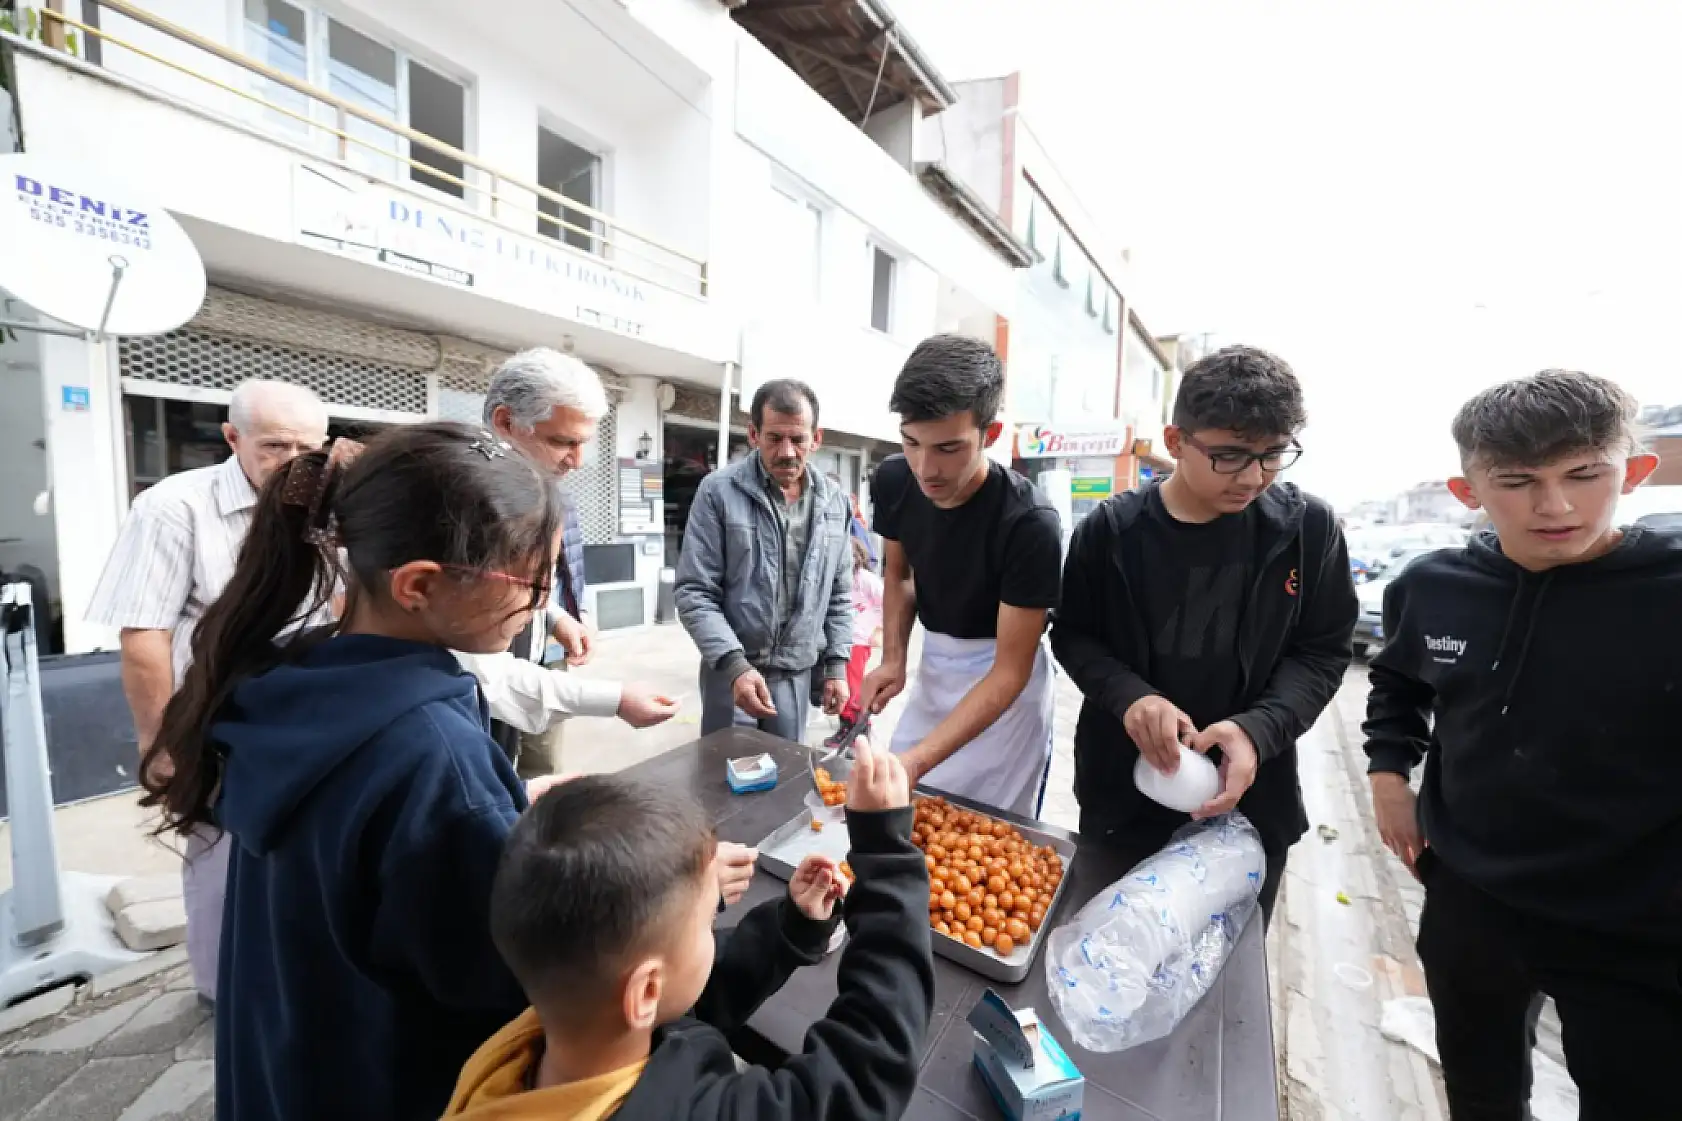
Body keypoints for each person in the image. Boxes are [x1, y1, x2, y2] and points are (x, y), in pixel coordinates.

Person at [1363, 370, 1682, 1120]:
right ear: (1467, 488)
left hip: (1638, 924)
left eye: (1584, 474)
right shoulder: (1430, 587)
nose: (1555, 505)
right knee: (1481, 1095)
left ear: (1634, 472)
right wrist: (1387, 776)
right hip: (1472, 899)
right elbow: (1398, 682)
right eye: (1518, 481)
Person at [443, 738, 934, 1121]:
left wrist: (789, 930)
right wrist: (886, 857)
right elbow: (860, 1077)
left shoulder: (537, 1044)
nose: (712, 931)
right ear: (646, 989)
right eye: (707, 922)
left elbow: (682, 1009)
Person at [1051, 346, 1354, 925]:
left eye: (1272, 455)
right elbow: (1075, 636)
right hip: (1126, 795)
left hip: (1253, 802)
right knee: (1106, 950)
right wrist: (1130, 697)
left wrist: (1257, 730)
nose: (1253, 477)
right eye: (1229, 455)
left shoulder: (1307, 530)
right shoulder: (1111, 532)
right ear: (1175, 440)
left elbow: (1322, 651)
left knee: (1225, 988)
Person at [85, 378, 332, 1003]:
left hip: (306, 715)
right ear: (232, 438)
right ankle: (222, 993)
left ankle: (290, 978)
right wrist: (161, 744)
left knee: (299, 854)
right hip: (217, 720)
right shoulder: (175, 508)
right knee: (220, 857)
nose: (294, 461)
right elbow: (144, 638)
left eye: (309, 445)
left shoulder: (327, 501)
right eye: (275, 445)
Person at [854, 335, 1062, 818]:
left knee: (983, 832)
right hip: (937, 664)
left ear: (990, 434)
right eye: (911, 442)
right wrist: (893, 658)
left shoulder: (1030, 523)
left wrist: (918, 759)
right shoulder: (893, 480)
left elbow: (1009, 672)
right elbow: (900, 576)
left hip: (1004, 684)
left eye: (949, 448)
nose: (926, 469)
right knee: (907, 813)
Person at [472, 348, 678, 778]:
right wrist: (614, 700)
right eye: (562, 442)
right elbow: (483, 672)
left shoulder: (547, 487)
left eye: (583, 443)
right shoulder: (462, 506)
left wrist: (556, 616)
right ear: (506, 423)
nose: (577, 461)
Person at [675, 379, 854, 743]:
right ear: (754, 435)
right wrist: (735, 667)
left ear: (815, 438)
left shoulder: (835, 502)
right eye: (774, 438)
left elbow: (838, 594)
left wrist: (836, 665)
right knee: (725, 778)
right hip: (730, 673)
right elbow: (694, 591)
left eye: (798, 439)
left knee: (787, 780)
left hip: (795, 674)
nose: (787, 451)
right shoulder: (718, 491)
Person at [827, 537, 883, 746]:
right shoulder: (838, 580)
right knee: (842, 685)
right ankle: (848, 727)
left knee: (852, 686)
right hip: (841, 639)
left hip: (859, 641)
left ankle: (858, 728)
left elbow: (888, 602)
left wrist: (877, 629)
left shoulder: (866, 580)